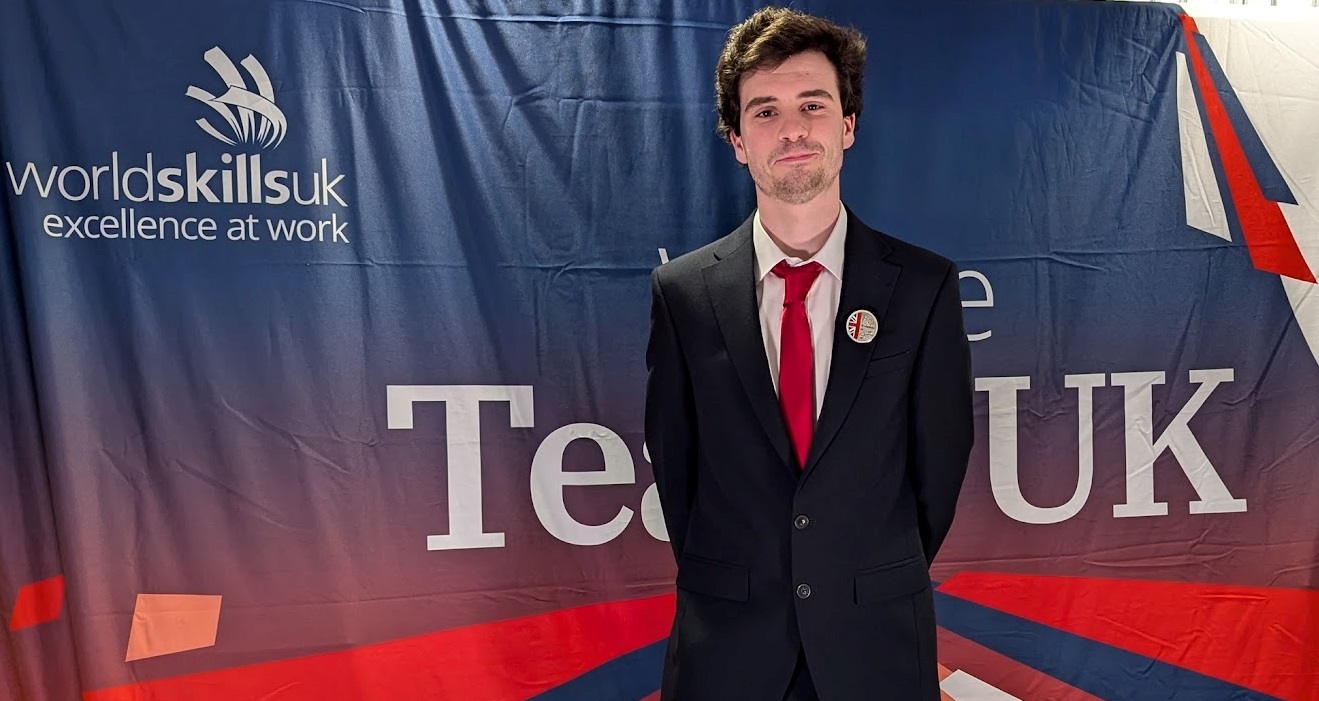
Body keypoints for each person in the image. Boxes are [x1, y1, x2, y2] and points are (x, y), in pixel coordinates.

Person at [644, 6, 974, 700]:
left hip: (874, 648)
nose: (791, 128)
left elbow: (935, 475)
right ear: (736, 140)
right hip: (726, 653)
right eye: (763, 111)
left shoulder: (922, 288)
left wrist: (855, 571)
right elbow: (678, 475)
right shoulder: (681, 295)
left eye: (812, 105)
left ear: (847, 125)